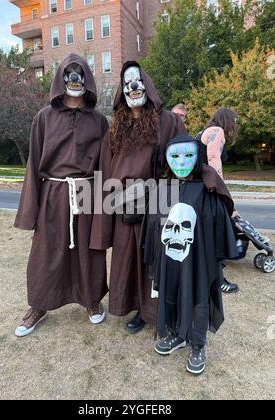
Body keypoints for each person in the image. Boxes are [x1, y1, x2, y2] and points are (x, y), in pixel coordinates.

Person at [14, 54, 109, 337]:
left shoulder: (99, 121)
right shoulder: (44, 117)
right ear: (61, 78)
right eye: (69, 73)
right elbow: (33, 165)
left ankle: (91, 301)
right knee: (46, 252)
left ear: (88, 79)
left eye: (80, 74)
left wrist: (107, 208)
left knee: (90, 251)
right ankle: (38, 305)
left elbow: (106, 165)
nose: (75, 79)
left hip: (88, 194)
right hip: (54, 195)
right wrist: (31, 212)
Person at [90, 61, 186, 334]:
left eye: (138, 81)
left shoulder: (168, 121)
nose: (134, 87)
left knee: (153, 261)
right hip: (124, 206)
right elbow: (107, 166)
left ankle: (157, 311)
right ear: (122, 89)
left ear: (147, 86)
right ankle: (137, 309)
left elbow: (181, 160)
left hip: (156, 205)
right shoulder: (115, 126)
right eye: (128, 82)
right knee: (128, 261)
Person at [142, 133, 238, 375]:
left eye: (188, 156)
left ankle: (197, 343)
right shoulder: (162, 189)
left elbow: (218, 225)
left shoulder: (207, 189)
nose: (182, 162)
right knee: (171, 291)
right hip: (170, 258)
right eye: (174, 156)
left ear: (198, 158)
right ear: (165, 159)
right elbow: (152, 226)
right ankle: (176, 334)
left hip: (199, 260)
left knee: (198, 296)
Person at [197, 108, 239, 294]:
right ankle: (218, 281)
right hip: (209, 190)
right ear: (227, 120)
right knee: (217, 235)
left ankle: (211, 279)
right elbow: (214, 159)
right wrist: (222, 191)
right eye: (234, 120)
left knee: (207, 236)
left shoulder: (203, 132)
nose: (235, 125)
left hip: (199, 189)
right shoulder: (217, 132)